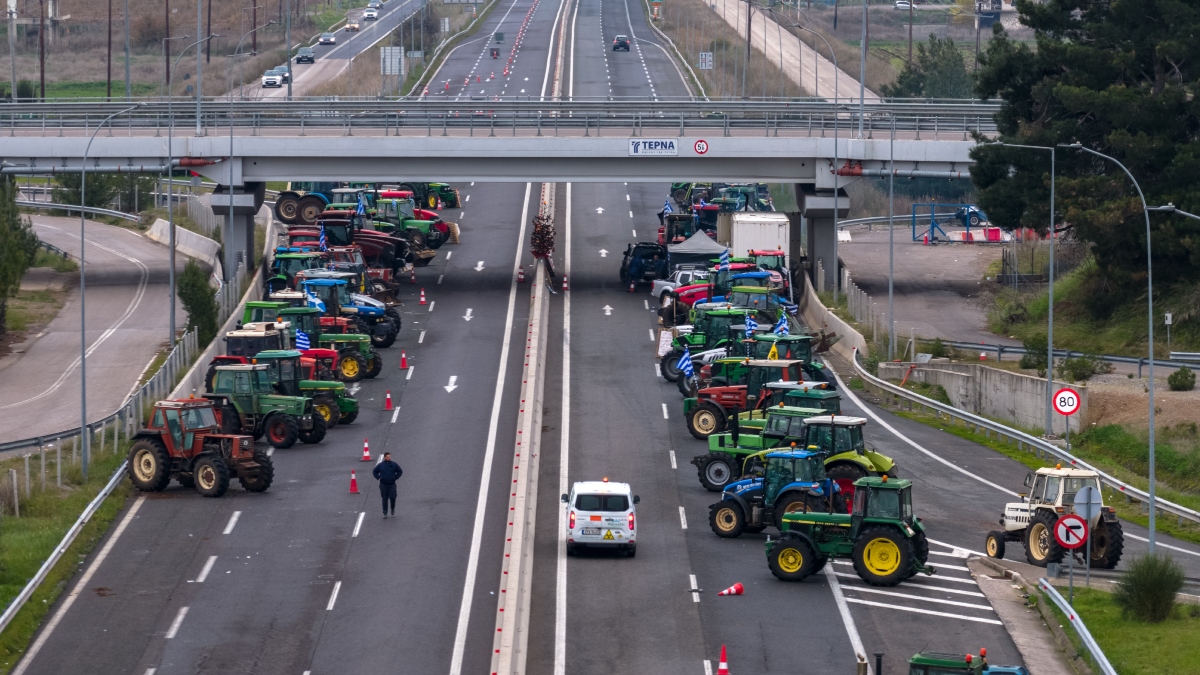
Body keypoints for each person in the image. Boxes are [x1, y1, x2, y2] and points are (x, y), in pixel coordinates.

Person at [372, 452, 403, 518]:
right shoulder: (380, 465)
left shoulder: (394, 464)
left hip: (392, 484)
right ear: (385, 457)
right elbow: (374, 471)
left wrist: (396, 477)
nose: (389, 458)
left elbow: (400, 471)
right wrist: (378, 477)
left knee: (393, 497)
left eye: (390, 457)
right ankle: (385, 512)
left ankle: (392, 508)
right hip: (383, 485)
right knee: (384, 498)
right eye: (388, 457)